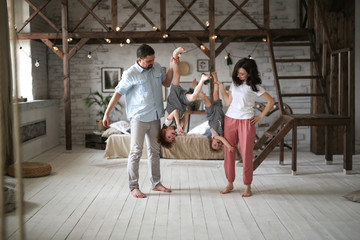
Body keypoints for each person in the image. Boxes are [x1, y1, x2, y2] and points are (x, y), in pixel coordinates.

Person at [103, 44, 181, 198]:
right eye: (149, 61)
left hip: (155, 117)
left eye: (153, 60)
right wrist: (106, 113)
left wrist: (173, 64)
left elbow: (166, 82)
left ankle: (156, 183)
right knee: (136, 152)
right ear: (140, 59)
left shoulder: (157, 67)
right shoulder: (130, 74)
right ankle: (133, 187)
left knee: (155, 151)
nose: (152, 63)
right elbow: (118, 94)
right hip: (138, 118)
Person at [218, 57, 275, 197]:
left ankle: (247, 186)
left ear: (249, 73)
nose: (239, 75)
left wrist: (260, 117)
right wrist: (220, 87)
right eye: (238, 73)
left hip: (246, 122)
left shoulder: (255, 87)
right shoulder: (234, 84)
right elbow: (227, 102)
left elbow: (271, 101)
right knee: (228, 152)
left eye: (242, 73)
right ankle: (230, 183)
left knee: (246, 154)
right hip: (230, 119)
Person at [159, 50, 212, 148]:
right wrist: (183, 125)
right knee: (194, 97)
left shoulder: (167, 122)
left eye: (169, 136)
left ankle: (175, 55)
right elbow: (187, 114)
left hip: (175, 97)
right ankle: (203, 79)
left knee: (177, 75)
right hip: (182, 101)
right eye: (172, 138)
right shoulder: (177, 126)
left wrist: (179, 124)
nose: (173, 136)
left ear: (164, 131)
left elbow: (175, 111)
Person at [197, 72, 235, 152]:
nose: (218, 144)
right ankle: (215, 77)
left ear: (211, 140)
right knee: (216, 94)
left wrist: (229, 147)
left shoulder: (215, 136)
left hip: (211, 115)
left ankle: (196, 89)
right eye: (219, 146)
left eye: (215, 145)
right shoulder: (223, 135)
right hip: (219, 111)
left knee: (206, 99)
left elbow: (222, 139)